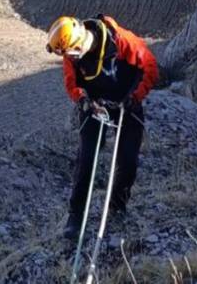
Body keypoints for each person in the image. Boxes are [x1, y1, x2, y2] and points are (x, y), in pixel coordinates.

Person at [45, 14, 159, 240]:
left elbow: (150, 68)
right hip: (95, 106)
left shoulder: (121, 41)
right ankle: (76, 217)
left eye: (69, 54)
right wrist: (83, 99)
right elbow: (72, 83)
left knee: (128, 161)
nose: (67, 58)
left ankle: (117, 208)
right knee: (86, 160)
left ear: (79, 44)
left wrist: (135, 96)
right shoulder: (72, 53)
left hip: (127, 102)